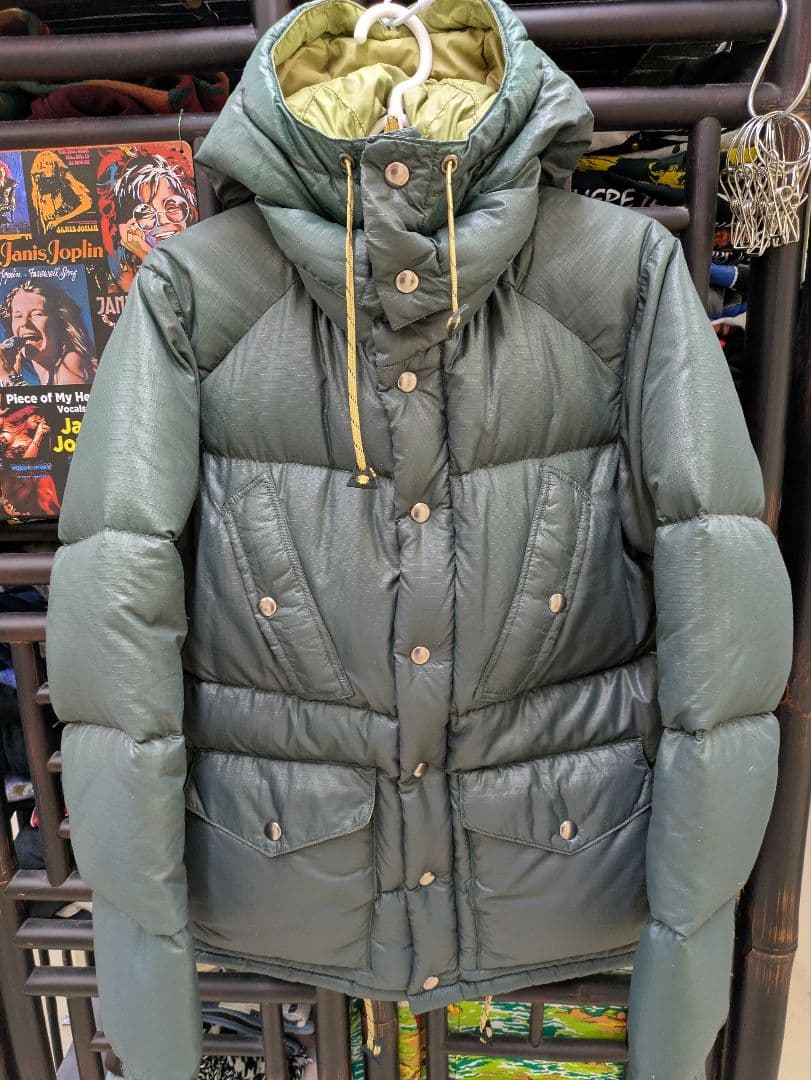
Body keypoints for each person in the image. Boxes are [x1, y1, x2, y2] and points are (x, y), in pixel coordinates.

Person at [97, 150, 199, 293]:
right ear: (126, 227)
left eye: (171, 206)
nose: (163, 220)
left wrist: (147, 254)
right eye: (145, 212)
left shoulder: (199, 259)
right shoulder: (123, 279)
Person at [0, 279, 97, 386]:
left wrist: (8, 376)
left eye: (37, 314)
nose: (24, 323)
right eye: (18, 316)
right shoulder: (50, 375)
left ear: (58, 322)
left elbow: (73, 396)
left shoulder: (71, 361)